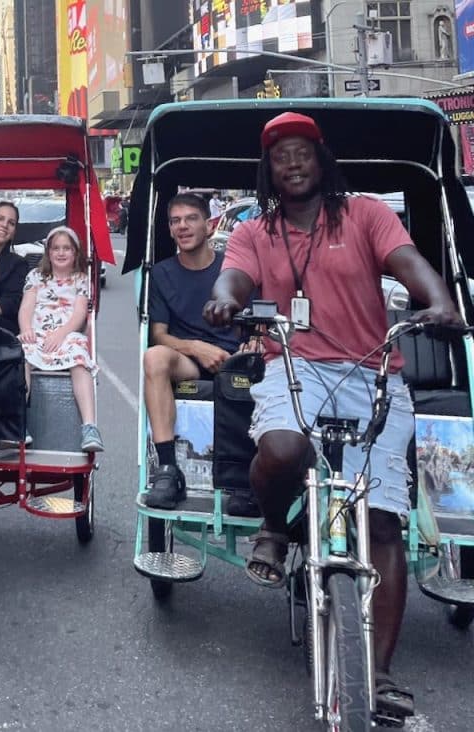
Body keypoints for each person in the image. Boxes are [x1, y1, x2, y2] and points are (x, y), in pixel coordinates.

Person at [204, 111, 462, 719]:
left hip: (372, 370)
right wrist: (223, 300)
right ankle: (274, 528)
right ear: (268, 171)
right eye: (280, 157)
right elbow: (233, 279)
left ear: (321, 159)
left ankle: (379, 672)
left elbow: (410, 263)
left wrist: (440, 301)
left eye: (302, 152)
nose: (292, 164)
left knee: (382, 521)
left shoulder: (365, 214)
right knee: (283, 448)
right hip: (294, 365)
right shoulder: (254, 230)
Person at [142, 193, 241, 509]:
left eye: (191, 219)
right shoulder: (161, 274)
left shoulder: (233, 268)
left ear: (209, 226)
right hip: (189, 360)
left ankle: (247, 476)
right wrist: (197, 348)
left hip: (236, 358)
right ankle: (167, 470)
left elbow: (258, 326)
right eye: (175, 221)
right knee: (153, 357)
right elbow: (158, 335)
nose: (182, 226)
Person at [18, 226, 103, 453]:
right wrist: (26, 329)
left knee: (79, 358)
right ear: (48, 252)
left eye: (67, 248)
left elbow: (79, 314)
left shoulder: (81, 279)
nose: (61, 253)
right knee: (20, 355)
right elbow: (26, 307)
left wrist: (61, 333)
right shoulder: (35, 277)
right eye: (56, 248)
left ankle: (89, 427)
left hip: (67, 332)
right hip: (38, 332)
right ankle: (19, 422)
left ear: (75, 253)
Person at [0, 201, 30, 335]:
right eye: (0, 219)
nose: (4, 225)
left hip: (0, 325)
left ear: (14, 232)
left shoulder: (18, 263)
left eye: (11, 223)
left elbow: (11, 303)